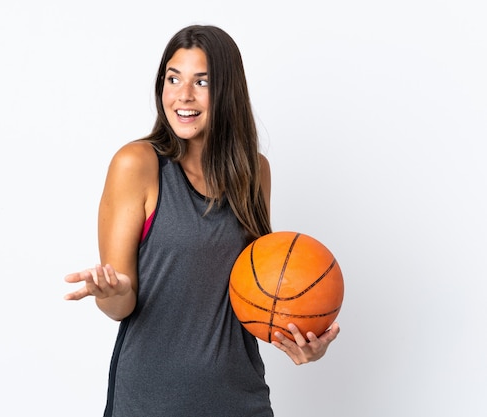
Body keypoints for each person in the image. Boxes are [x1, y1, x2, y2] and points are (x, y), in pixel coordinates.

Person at [64, 24, 340, 417]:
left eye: (202, 82)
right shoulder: (137, 165)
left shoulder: (254, 173)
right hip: (150, 403)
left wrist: (302, 337)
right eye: (173, 78)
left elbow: (262, 292)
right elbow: (121, 304)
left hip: (241, 400)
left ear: (227, 90)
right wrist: (111, 293)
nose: (183, 95)